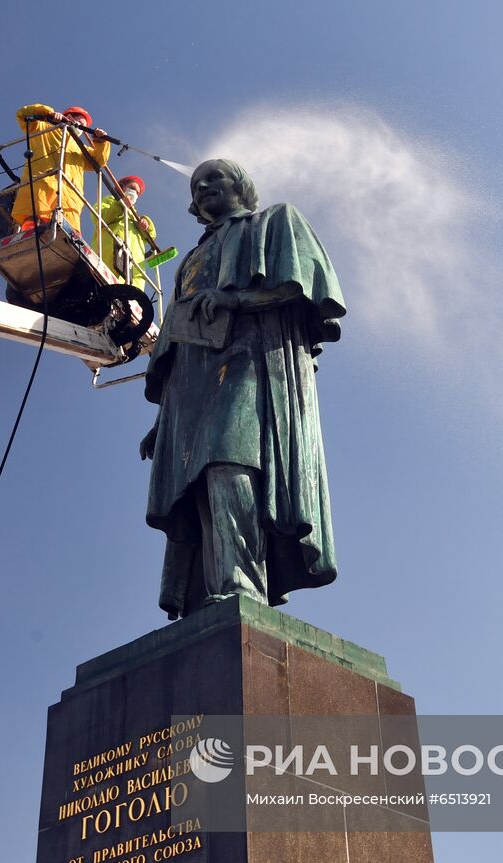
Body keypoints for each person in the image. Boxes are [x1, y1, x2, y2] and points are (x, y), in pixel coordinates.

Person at [140, 158, 346, 619]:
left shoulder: (274, 222)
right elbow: (175, 342)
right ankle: (215, 592)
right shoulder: (188, 262)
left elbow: (305, 289)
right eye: (197, 185)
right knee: (198, 486)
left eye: (215, 177)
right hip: (190, 387)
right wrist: (160, 423)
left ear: (241, 185)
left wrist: (237, 299)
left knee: (229, 461)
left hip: (250, 361)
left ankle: (242, 586)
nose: (205, 187)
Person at [10, 104, 111, 236]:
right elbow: (22, 114)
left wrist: (100, 141)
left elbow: (98, 161)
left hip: (70, 197)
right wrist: (48, 114)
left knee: (71, 235)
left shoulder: (80, 148)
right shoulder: (42, 128)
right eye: (79, 123)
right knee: (35, 223)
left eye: (83, 126)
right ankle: (29, 236)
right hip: (42, 186)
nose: (80, 128)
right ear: (68, 116)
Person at [94, 176, 157, 291]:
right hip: (109, 260)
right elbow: (98, 216)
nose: (135, 194)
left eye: (137, 193)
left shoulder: (135, 217)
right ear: (122, 188)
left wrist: (146, 225)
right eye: (132, 188)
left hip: (134, 269)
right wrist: (120, 205)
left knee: (131, 295)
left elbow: (151, 237)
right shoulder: (111, 201)